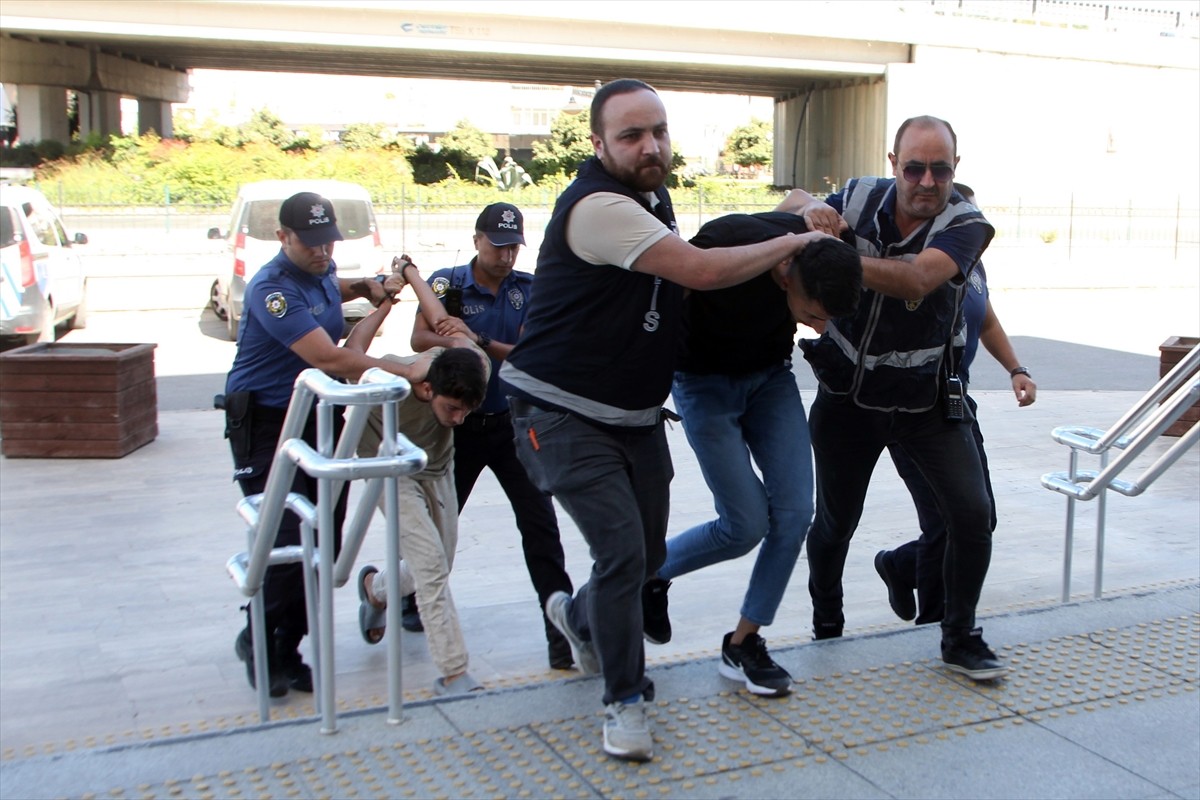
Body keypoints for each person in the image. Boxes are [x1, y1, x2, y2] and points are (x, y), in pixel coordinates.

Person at [499, 78, 833, 761]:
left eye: (658, 131)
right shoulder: (597, 207)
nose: (650, 145)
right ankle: (624, 701)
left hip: (633, 415)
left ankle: (575, 615)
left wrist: (805, 205)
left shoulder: (652, 195)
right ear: (597, 145)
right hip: (558, 411)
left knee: (648, 557)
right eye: (630, 135)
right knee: (624, 553)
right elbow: (700, 272)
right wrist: (793, 240)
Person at [785, 115, 1009, 681]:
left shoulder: (967, 222)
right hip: (847, 402)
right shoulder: (860, 196)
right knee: (836, 522)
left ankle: (959, 636)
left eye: (941, 169)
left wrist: (833, 259)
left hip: (925, 404)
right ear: (894, 164)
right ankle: (827, 628)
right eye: (915, 167)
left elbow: (915, 280)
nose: (927, 181)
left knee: (971, 515)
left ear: (955, 170)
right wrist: (809, 210)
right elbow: (791, 200)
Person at [224, 191, 427, 698]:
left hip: (317, 416)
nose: (322, 252)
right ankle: (261, 644)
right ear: (283, 238)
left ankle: (288, 644)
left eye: (328, 242)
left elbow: (339, 291)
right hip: (269, 423)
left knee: (323, 540)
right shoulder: (271, 289)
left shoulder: (319, 274)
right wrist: (404, 369)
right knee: (285, 538)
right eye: (310, 243)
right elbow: (329, 359)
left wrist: (375, 285)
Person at [656, 212, 862, 698]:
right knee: (744, 525)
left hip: (769, 379)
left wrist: (814, 202)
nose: (818, 326)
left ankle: (744, 643)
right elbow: (664, 297)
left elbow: (800, 201)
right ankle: (646, 575)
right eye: (813, 315)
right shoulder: (732, 241)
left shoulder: (820, 250)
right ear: (788, 274)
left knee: (794, 514)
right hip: (701, 383)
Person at [409, 202, 576, 671]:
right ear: (477, 239)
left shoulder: (529, 289)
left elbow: (528, 352)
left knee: (540, 527)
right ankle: (400, 596)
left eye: (514, 248)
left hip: (511, 427)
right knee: (440, 530)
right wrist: (454, 338)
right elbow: (420, 339)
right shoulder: (448, 284)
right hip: (458, 428)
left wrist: (476, 339)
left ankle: (559, 634)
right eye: (499, 246)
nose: (506, 257)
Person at [874, 183, 1037, 624]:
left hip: (955, 401)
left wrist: (1016, 369)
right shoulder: (923, 261)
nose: (972, 228)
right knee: (945, 521)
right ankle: (934, 624)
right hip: (912, 406)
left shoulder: (971, 260)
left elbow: (985, 318)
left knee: (981, 519)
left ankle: (901, 564)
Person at [354, 338, 491, 697]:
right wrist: (404, 369)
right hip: (388, 466)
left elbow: (466, 343)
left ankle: (376, 590)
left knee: (439, 562)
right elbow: (354, 361)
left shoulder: (474, 370)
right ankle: (454, 672)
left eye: (466, 411)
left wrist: (449, 333)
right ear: (427, 388)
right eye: (452, 408)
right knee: (429, 564)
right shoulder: (388, 384)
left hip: (436, 467)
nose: (459, 419)